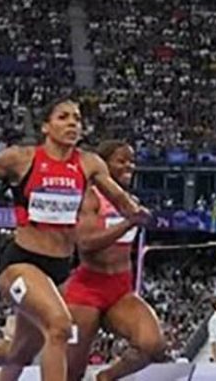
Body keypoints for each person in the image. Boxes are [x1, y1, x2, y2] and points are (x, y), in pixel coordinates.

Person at [0, 99, 150, 381]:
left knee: (21, 351)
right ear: (45, 126)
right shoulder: (21, 158)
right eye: (63, 117)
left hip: (61, 269)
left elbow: (118, 197)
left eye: (77, 119)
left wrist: (134, 212)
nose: (72, 124)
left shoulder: (89, 163)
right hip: (20, 263)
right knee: (59, 326)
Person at [63, 140, 165, 381]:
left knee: (153, 344)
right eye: (121, 160)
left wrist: (138, 218)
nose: (129, 166)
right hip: (87, 290)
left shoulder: (130, 201)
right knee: (72, 373)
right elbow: (86, 243)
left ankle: (106, 377)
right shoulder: (90, 197)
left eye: (131, 161)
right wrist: (128, 222)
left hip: (120, 288)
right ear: (103, 165)